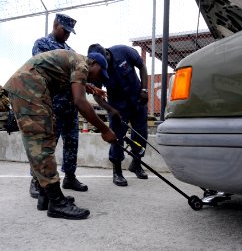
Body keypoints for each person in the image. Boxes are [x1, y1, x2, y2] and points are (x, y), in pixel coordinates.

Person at [3, 50, 117, 219]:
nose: (99, 78)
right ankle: (56, 203)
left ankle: (45, 197)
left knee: (44, 139)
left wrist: (90, 87)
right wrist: (105, 129)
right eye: (100, 73)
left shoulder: (76, 63)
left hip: (27, 86)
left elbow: (70, 79)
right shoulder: (82, 65)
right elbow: (80, 101)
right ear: (93, 63)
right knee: (41, 142)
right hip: (30, 87)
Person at [30, 13, 88, 199]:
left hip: (70, 107)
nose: (67, 35)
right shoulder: (41, 44)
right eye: (65, 30)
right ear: (56, 25)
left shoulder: (69, 49)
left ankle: (70, 177)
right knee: (47, 146)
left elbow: (77, 76)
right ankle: (37, 181)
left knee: (72, 143)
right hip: (53, 105)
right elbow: (44, 70)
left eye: (70, 32)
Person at [87, 44, 149, 187]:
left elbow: (142, 66)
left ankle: (136, 164)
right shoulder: (94, 69)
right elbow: (97, 96)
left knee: (141, 133)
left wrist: (144, 89)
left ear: (107, 55)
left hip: (137, 99)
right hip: (117, 106)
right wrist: (110, 109)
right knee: (116, 137)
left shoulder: (124, 51)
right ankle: (117, 172)